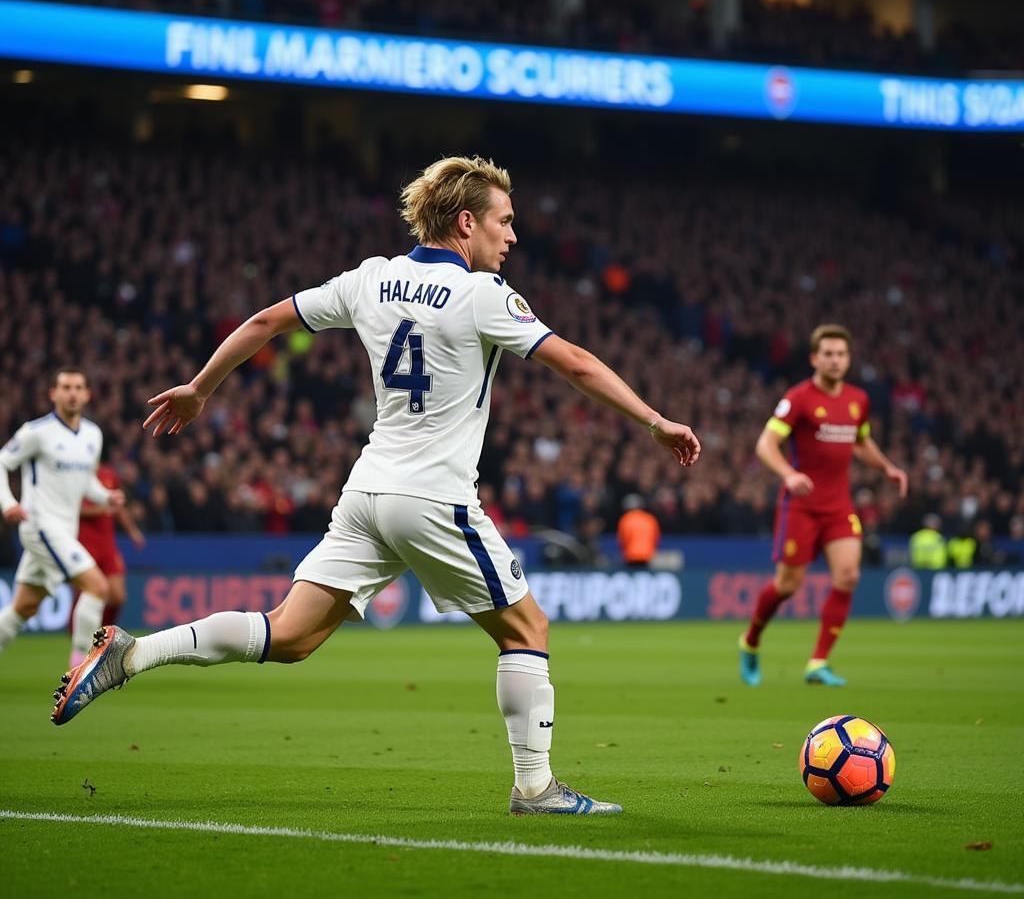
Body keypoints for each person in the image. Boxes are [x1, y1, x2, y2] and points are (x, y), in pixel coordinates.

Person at [51, 156, 701, 817]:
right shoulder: (484, 296)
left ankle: (134, 653)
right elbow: (577, 363)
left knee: (289, 636)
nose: (512, 238)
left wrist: (199, 388)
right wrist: (652, 419)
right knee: (526, 629)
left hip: (367, 494)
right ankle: (535, 787)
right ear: (466, 221)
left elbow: (262, 324)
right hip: (434, 498)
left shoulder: (371, 279)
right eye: (504, 222)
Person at [738, 324, 907, 687]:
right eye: (828, 354)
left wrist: (888, 468)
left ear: (848, 359)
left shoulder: (858, 400)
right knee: (787, 586)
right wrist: (787, 474)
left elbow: (861, 443)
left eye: (841, 354)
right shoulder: (798, 398)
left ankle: (818, 663)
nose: (835, 360)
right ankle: (750, 641)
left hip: (838, 506)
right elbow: (765, 445)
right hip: (800, 505)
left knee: (848, 576)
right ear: (814, 358)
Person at [0, 368, 125, 667]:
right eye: (66, 387)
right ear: (53, 394)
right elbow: (2, 462)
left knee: (24, 606)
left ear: (87, 395)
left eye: (78, 387)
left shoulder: (93, 435)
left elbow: (86, 482)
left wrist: (105, 496)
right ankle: (80, 669)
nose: (72, 393)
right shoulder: (36, 432)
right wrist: (7, 503)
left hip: (64, 531)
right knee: (98, 587)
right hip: (40, 525)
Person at [69, 453, 147, 663]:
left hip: (107, 545)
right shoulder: (75, 475)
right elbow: (72, 508)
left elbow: (117, 508)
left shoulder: (109, 475)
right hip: (85, 544)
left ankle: (102, 635)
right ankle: (83, 638)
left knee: (118, 596)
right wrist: (101, 509)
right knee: (91, 593)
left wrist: (132, 531)